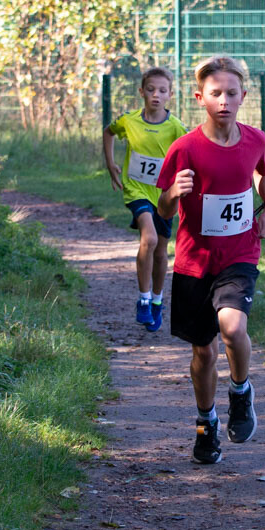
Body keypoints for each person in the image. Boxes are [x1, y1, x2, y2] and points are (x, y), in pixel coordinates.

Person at [156, 56, 265, 464]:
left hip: (239, 253)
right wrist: (173, 193)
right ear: (200, 98)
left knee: (232, 327)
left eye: (231, 93)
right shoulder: (185, 148)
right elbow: (162, 210)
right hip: (194, 262)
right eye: (215, 93)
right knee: (204, 352)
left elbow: (261, 171)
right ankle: (206, 423)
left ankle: (241, 392)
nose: (224, 100)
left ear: (244, 96)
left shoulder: (256, 139)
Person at [104, 67, 187, 332]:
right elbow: (108, 132)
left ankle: (157, 301)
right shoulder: (129, 120)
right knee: (148, 239)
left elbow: (189, 152)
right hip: (136, 189)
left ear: (170, 95)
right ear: (141, 92)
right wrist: (110, 164)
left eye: (162, 91)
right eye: (151, 90)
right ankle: (143, 298)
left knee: (161, 252)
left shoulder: (176, 127)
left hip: (164, 195)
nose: (156, 95)